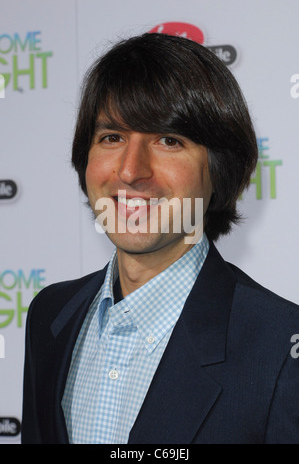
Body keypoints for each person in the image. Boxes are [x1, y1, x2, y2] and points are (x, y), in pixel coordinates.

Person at [22, 32, 299, 444]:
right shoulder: (50, 315)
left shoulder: (278, 347)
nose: (131, 171)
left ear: (218, 171)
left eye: (168, 140)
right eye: (112, 137)